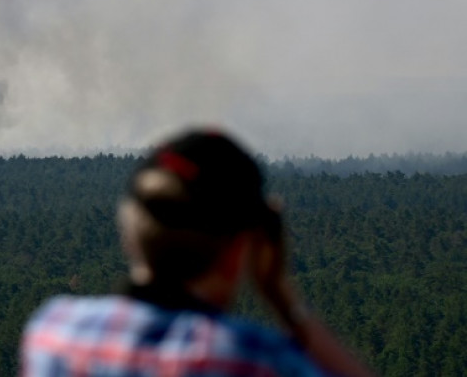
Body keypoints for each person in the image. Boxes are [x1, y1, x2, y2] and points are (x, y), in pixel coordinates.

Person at [20, 129, 374, 376]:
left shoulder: (53, 331)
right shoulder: (253, 357)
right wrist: (283, 298)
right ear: (240, 249)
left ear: (129, 234)